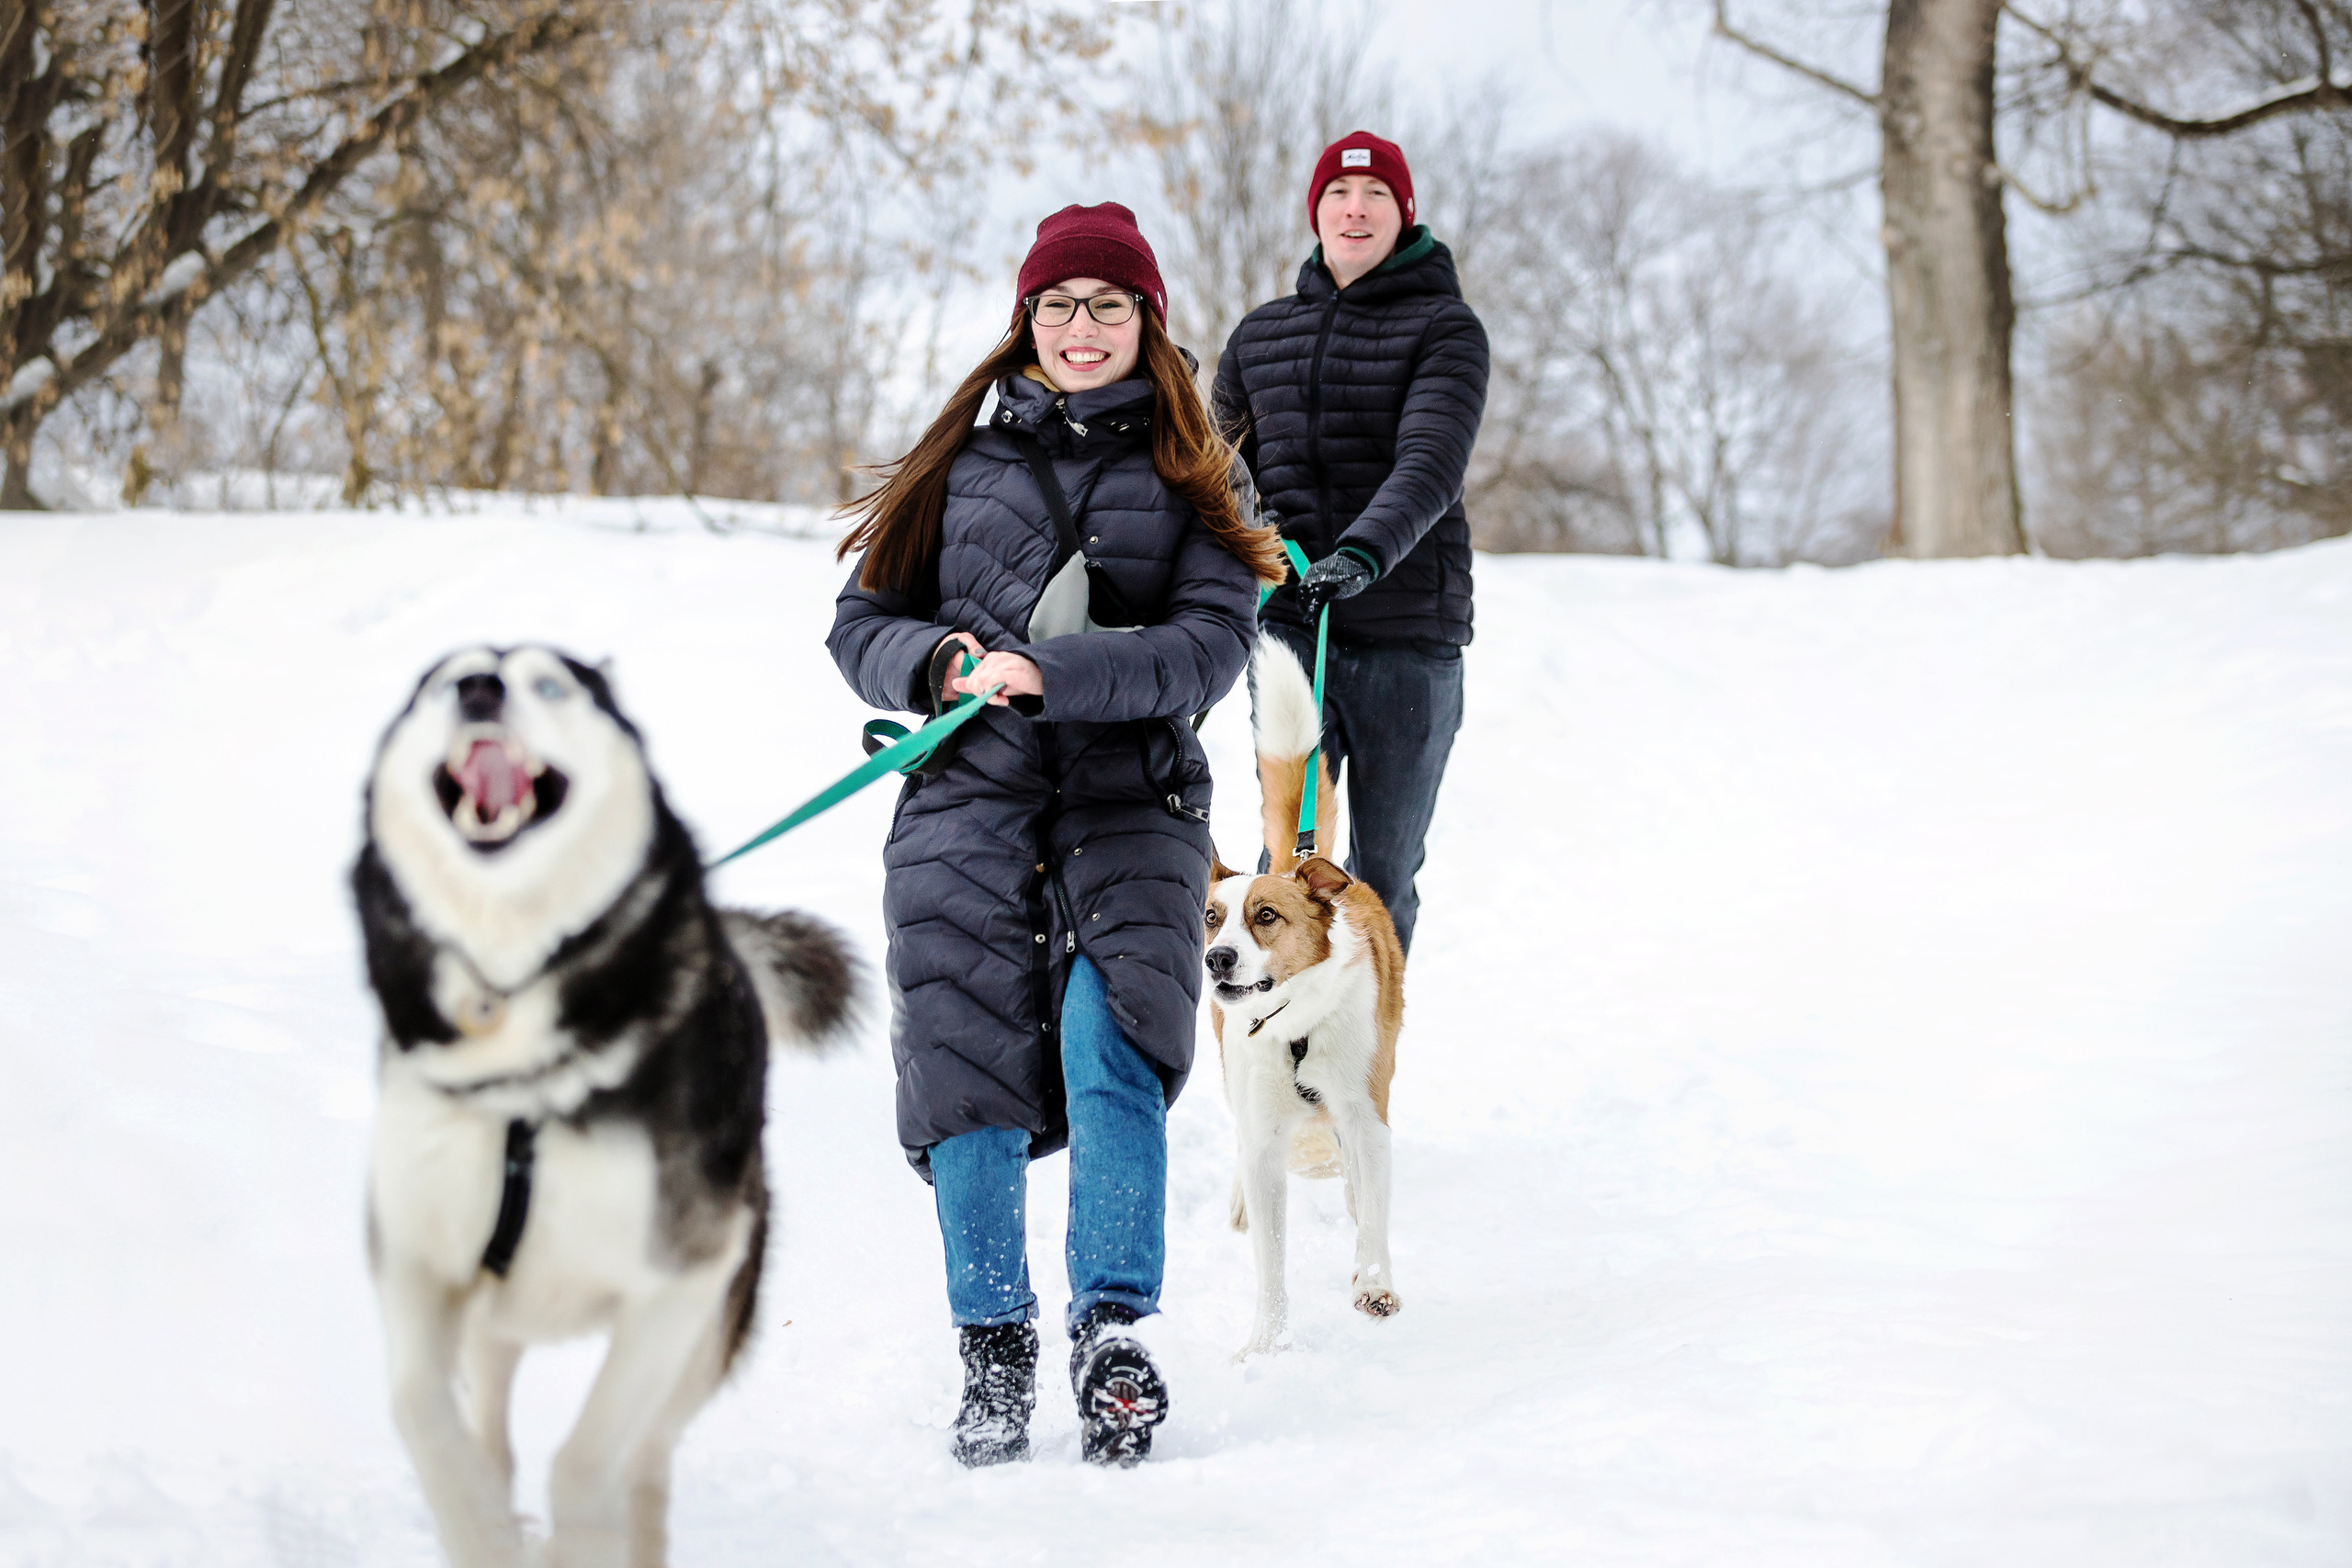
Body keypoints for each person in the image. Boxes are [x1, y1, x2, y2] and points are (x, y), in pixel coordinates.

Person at [828, 202, 1284, 1469]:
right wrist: (941, 658)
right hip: (967, 801)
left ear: (1148, 321)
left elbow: (1207, 644)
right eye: (1059, 304)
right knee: (963, 1068)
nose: (1082, 328)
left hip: (1131, 799)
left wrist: (1055, 672)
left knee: (1114, 1043)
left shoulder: (1199, 472)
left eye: (1108, 304)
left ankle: (1112, 1328)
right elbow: (858, 626)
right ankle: (992, 1340)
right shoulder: (959, 466)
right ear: (1026, 319)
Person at [1212, 130, 1490, 955]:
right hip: (1295, 631)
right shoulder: (1260, 336)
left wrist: (1363, 553)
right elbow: (1214, 474)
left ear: (1405, 214)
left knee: (1382, 873)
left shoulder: (1447, 329)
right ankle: (1278, 1037)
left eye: (1375, 196)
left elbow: (1430, 462)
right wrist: (1248, 553)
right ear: (1317, 212)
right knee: (1287, 858)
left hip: (1411, 637)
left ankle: (1366, 1040)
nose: (1355, 208)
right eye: (1338, 193)